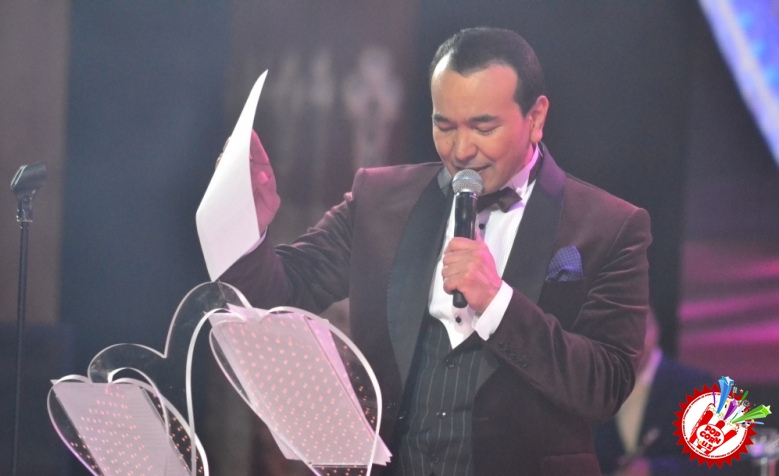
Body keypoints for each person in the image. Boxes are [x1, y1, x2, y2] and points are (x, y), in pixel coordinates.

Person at [219, 27, 651, 476]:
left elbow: (606, 386)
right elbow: (277, 295)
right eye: (444, 126)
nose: (461, 150)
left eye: (484, 127)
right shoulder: (380, 201)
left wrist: (498, 303)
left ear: (536, 117)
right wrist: (246, 226)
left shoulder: (609, 226)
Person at [594, 310, 737, 476]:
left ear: (654, 331)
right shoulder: (591, 389)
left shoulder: (698, 386)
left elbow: (725, 461)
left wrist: (655, 470)